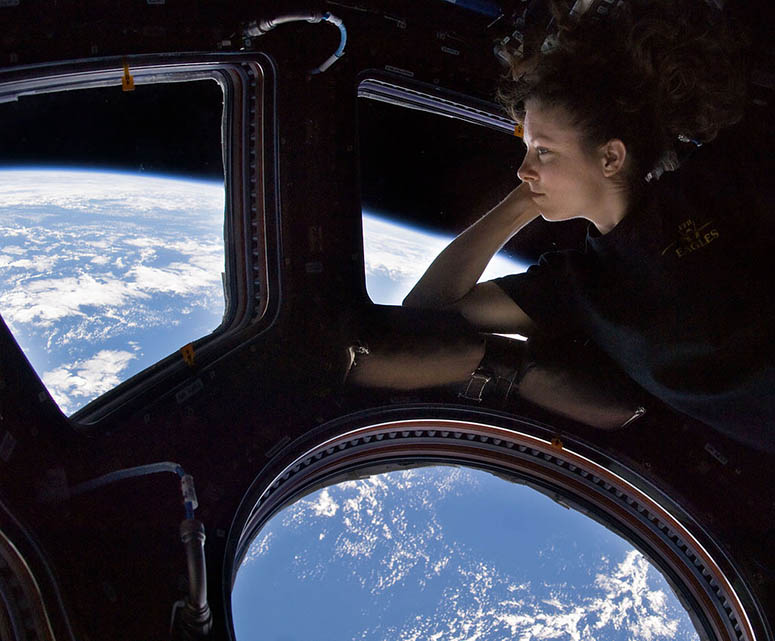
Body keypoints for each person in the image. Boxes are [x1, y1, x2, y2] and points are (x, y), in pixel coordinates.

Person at [349, 0, 775, 450]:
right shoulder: (578, 287)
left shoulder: (718, 185)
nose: (523, 169)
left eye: (543, 151)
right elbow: (426, 312)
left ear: (610, 157)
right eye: (527, 149)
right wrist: (520, 204)